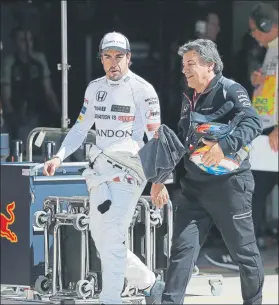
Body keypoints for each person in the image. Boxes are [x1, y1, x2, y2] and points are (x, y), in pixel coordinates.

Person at [43, 32, 168, 304]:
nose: (114, 62)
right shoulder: (93, 88)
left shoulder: (144, 90)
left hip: (130, 171)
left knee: (111, 236)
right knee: (103, 240)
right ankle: (150, 284)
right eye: (108, 56)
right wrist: (58, 157)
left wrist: (160, 181)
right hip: (98, 172)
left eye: (119, 57)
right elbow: (80, 127)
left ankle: (110, 300)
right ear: (101, 59)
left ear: (129, 59)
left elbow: (157, 138)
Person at [160, 39, 264, 304]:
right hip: (194, 188)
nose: (185, 70)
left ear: (211, 65)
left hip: (230, 186)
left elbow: (253, 121)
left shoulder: (230, 89)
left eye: (191, 64)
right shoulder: (189, 97)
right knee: (182, 251)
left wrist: (224, 147)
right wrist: (159, 179)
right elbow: (182, 142)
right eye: (183, 65)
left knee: (245, 254)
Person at [205, 2, 278, 271]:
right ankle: (245, 256)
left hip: (274, 135)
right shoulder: (270, 50)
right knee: (252, 191)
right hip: (266, 133)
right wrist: (260, 80)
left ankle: (244, 258)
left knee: (251, 192)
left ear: (266, 26)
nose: (252, 35)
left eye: (253, 30)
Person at [1, 26, 60, 150]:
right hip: (18, 117)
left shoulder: (39, 60)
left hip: (38, 114)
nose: (27, 44)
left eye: (30, 40)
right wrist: (12, 118)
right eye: (23, 40)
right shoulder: (10, 63)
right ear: (15, 42)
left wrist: (58, 114)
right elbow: (6, 96)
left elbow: (48, 90)